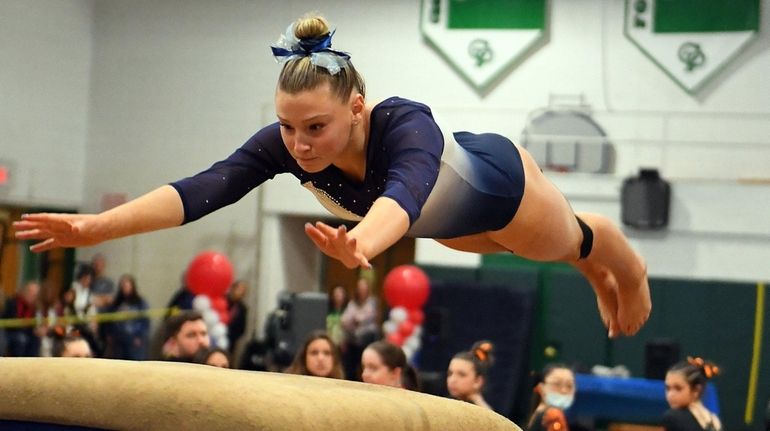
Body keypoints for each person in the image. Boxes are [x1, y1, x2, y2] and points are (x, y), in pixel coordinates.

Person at [12, 13, 650, 339]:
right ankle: (589, 262)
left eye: (315, 128)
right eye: (289, 128)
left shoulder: (406, 124)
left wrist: (362, 246)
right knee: (480, 244)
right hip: (448, 226)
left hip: (500, 185)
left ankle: (620, 261)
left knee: (561, 243)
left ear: (356, 107)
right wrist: (98, 228)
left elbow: (405, 191)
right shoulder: (288, 145)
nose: (299, 145)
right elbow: (203, 189)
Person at [663, 357, 722, 431]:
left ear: (696, 390)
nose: (670, 395)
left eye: (678, 388)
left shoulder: (673, 417)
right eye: (668, 388)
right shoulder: (714, 420)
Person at [341, 277, 379, 380]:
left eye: (364, 288)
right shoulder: (352, 303)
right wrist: (354, 320)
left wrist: (356, 319)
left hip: (367, 339)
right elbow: (345, 320)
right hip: (352, 339)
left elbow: (367, 317)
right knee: (349, 363)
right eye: (360, 288)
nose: (362, 290)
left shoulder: (372, 302)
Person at [105, 274, 150, 360]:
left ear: (132, 286)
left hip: (134, 339)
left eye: (127, 286)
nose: (125, 288)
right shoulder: (117, 302)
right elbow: (109, 319)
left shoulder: (140, 302)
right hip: (119, 339)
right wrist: (110, 334)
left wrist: (139, 336)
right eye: (123, 286)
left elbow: (145, 321)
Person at [526, 364, 576, 431]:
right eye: (556, 384)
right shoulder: (554, 416)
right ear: (541, 387)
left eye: (569, 386)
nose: (564, 390)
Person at [446, 340, 494, 410]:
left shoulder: (484, 412)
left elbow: (491, 419)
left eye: (461, 375)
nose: (452, 380)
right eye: (450, 373)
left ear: (478, 381)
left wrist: (477, 400)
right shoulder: (444, 406)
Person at [2, 281, 45, 357]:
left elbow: (35, 323)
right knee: (21, 339)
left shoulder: (35, 308)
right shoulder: (12, 302)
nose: (33, 296)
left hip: (26, 332)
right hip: (10, 332)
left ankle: (30, 364)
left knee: (36, 340)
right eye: (31, 292)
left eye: (35, 294)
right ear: (25, 291)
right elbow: (6, 320)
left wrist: (38, 330)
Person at [226, 280, 249, 355]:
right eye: (239, 289)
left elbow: (242, 329)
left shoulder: (242, 308)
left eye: (243, 291)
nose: (241, 293)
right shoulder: (222, 300)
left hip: (230, 341)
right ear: (232, 288)